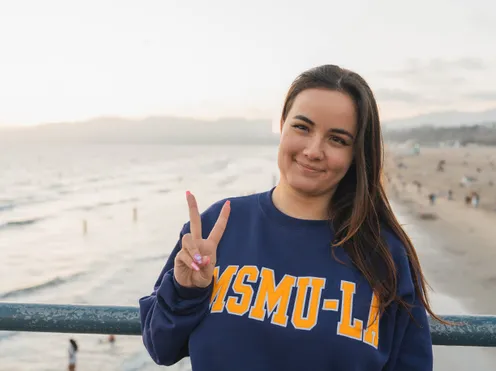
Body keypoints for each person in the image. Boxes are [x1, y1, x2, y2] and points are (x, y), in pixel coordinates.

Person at [139, 64, 440, 370]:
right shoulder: (219, 226)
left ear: (356, 153)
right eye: (302, 127)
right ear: (281, 125)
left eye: (337, 139)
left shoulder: (383, 254)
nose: (313, 150)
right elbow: (161, 346)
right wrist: (186, 290)